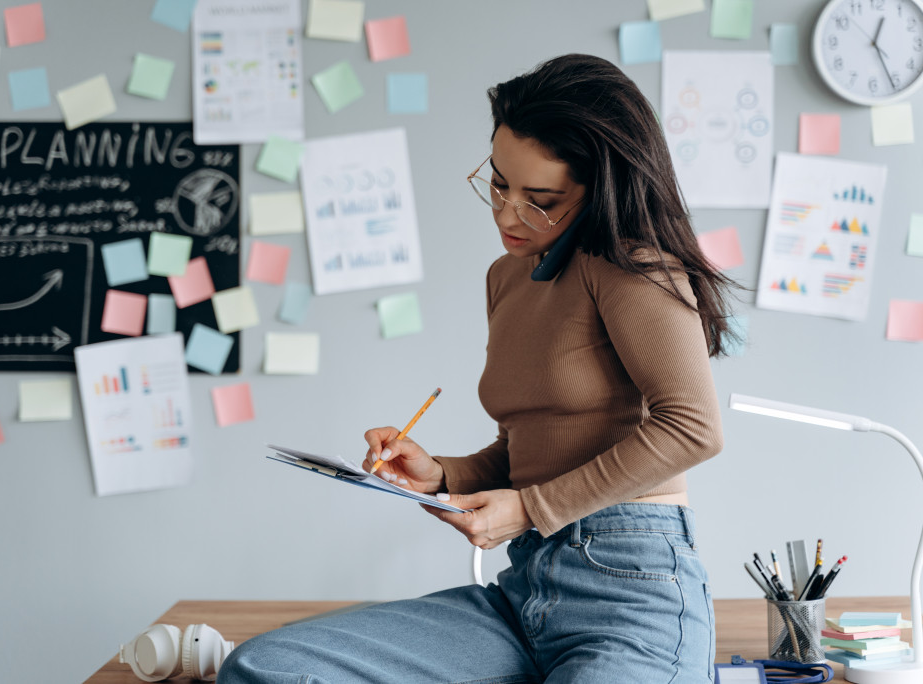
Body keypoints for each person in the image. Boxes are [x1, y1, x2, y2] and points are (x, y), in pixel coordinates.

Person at [218, 53, 736, 684]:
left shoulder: (634, 267)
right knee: (264, 667)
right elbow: (527, 444)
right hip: (526, 596)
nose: (507, 213)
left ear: (601, 187)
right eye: (497, 183)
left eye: (540, 199)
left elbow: (693, 428)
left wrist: (529, 509)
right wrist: (440, 474)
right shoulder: (507, 277)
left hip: (631, 590)